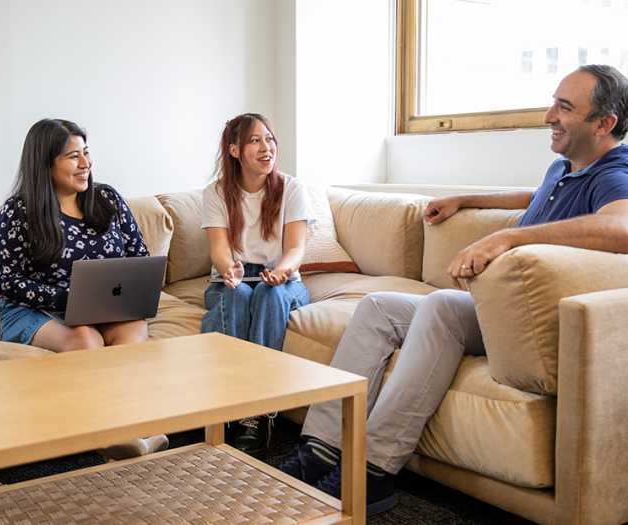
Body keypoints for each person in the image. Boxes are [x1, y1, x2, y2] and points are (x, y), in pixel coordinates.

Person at [279, 64, 628, 516]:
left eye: (565, 107)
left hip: (531, 325)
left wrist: (508, 238)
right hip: (495, 308)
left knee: (442, 305)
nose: (548, 116)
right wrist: (466, 198)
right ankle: (323, 449)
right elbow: (532, 194)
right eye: (553, 103)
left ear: (605, 124)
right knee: (378, 307)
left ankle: (373, 472)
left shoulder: (614, 174)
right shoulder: (566, 168)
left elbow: (620, 228)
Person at [0, 118, 168, 460]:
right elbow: (4, 280)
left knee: (133, 327)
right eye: (73, 156)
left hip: (104, 305)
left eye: (86, 153)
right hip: (33, 309)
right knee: (85, 339)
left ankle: (131, 426)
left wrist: (115, 295)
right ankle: (118, 431)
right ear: (46, 163)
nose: (85, 163)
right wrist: (67, 299)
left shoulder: (106, 199)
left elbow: (139, 256)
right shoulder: (17, 211)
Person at [201, 113, 316, 457]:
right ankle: (223, 403)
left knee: (267, 293)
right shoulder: (216, 193)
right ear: (235, 150)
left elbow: (296, 248)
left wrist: (281, 272)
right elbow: (219, 249)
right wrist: (229, 271)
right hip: (232, 278)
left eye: (269, 139)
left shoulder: (291, 188)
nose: (266, 147)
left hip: (282, 281)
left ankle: (258, 412)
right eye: (255, 141)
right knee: (237, 297)